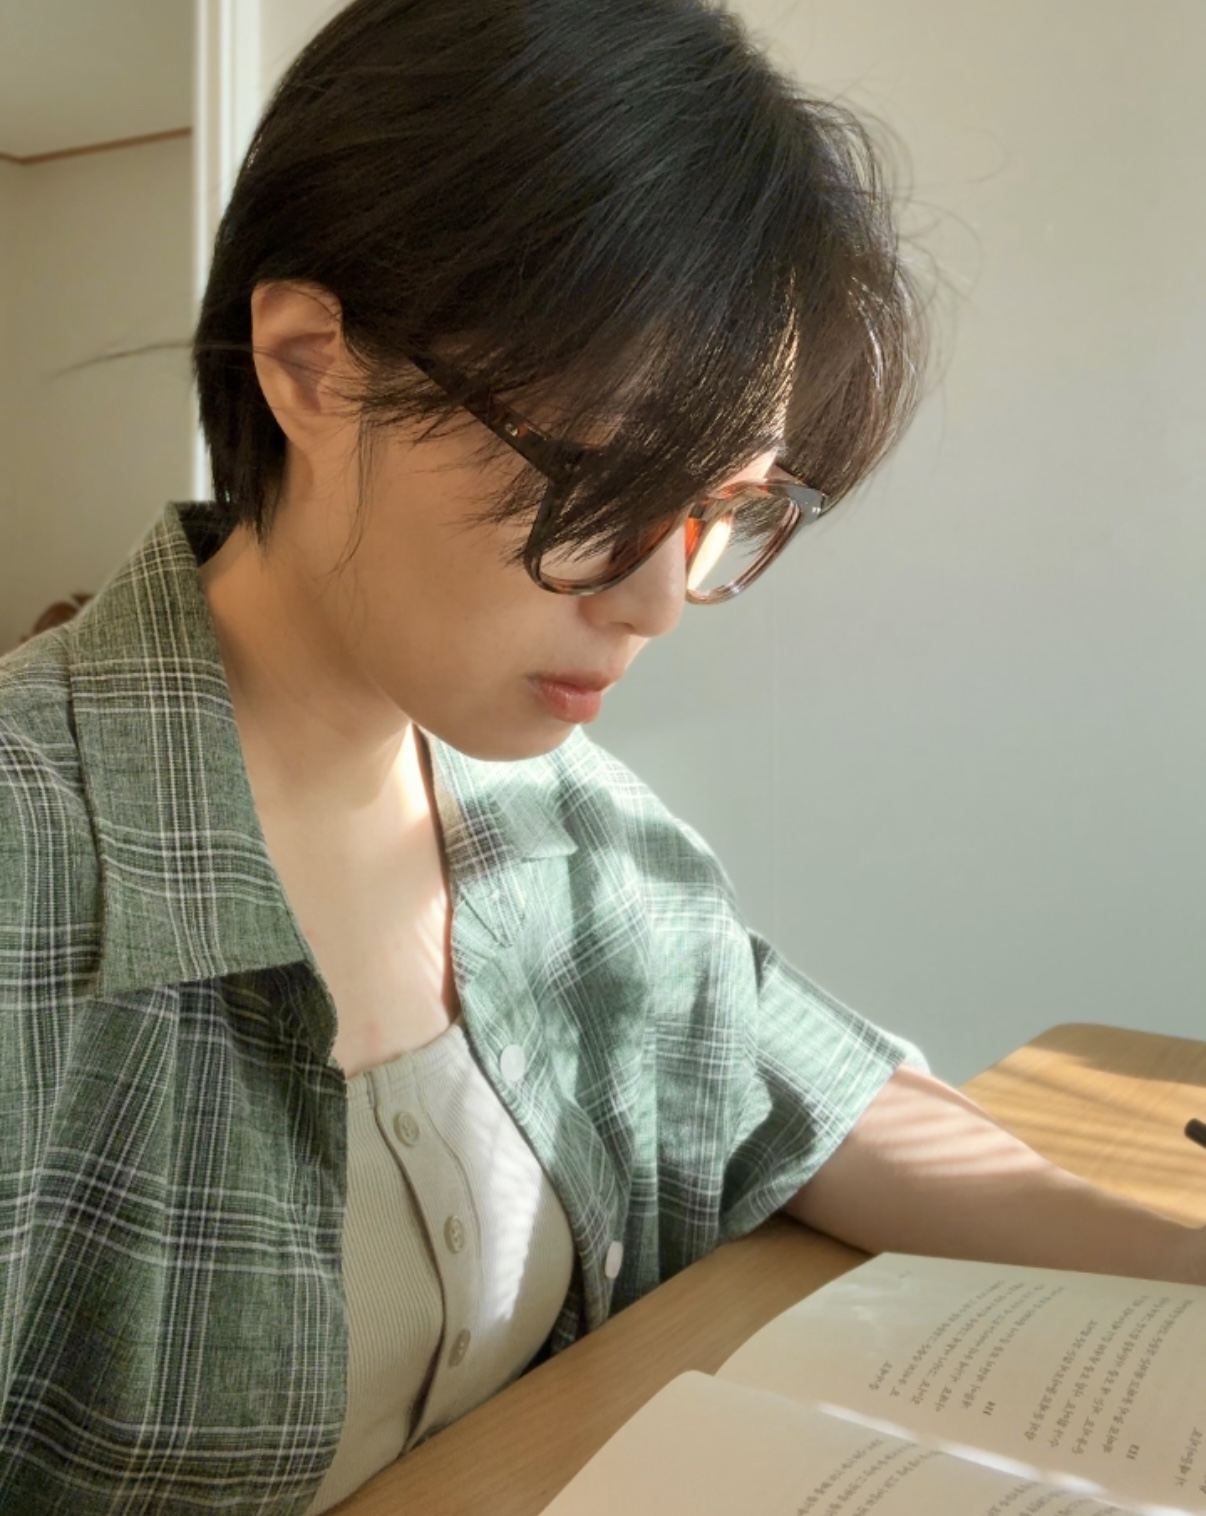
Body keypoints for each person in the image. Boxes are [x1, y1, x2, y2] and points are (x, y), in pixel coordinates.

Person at [0, 0, 1201, 1511]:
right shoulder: (33, 866)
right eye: (603, 485)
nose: (656, 604)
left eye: (720, 513)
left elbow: (795, 1088)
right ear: (310, 367)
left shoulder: (562, 822)